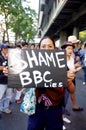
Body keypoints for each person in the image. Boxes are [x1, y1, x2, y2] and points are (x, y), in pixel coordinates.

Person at [27, 36, 75, 130]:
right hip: (36, 109)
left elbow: (72, 90)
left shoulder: (61, 65)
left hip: (55, 110)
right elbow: (19, 88)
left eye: (50, 46)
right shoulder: (32, 65)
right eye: (43, 46)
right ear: (39, 48)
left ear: (54, 48)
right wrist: (13, 75)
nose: (46, 49)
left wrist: (68, 81)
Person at [61, 41, 83, 111]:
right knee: (64, 97)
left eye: (71, 49)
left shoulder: (72, 59)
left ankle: (75, 106)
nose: (70, 50)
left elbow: (71, 69)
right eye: (68, 48)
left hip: (72, 80)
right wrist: (75, 70)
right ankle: (62, 113)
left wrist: (75, 68)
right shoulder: (60, 60)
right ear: (64, 49)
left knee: (72, 93)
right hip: (65, 82)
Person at [0, 44, 12, 119]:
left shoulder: (9, 57)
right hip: (1, 80)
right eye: (5, 48)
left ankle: (5, 108)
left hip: (9, 79)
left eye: (7, 48)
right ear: (1, 49)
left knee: (8, 96)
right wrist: (5, 68)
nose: (7, 50)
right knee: (0, 97)